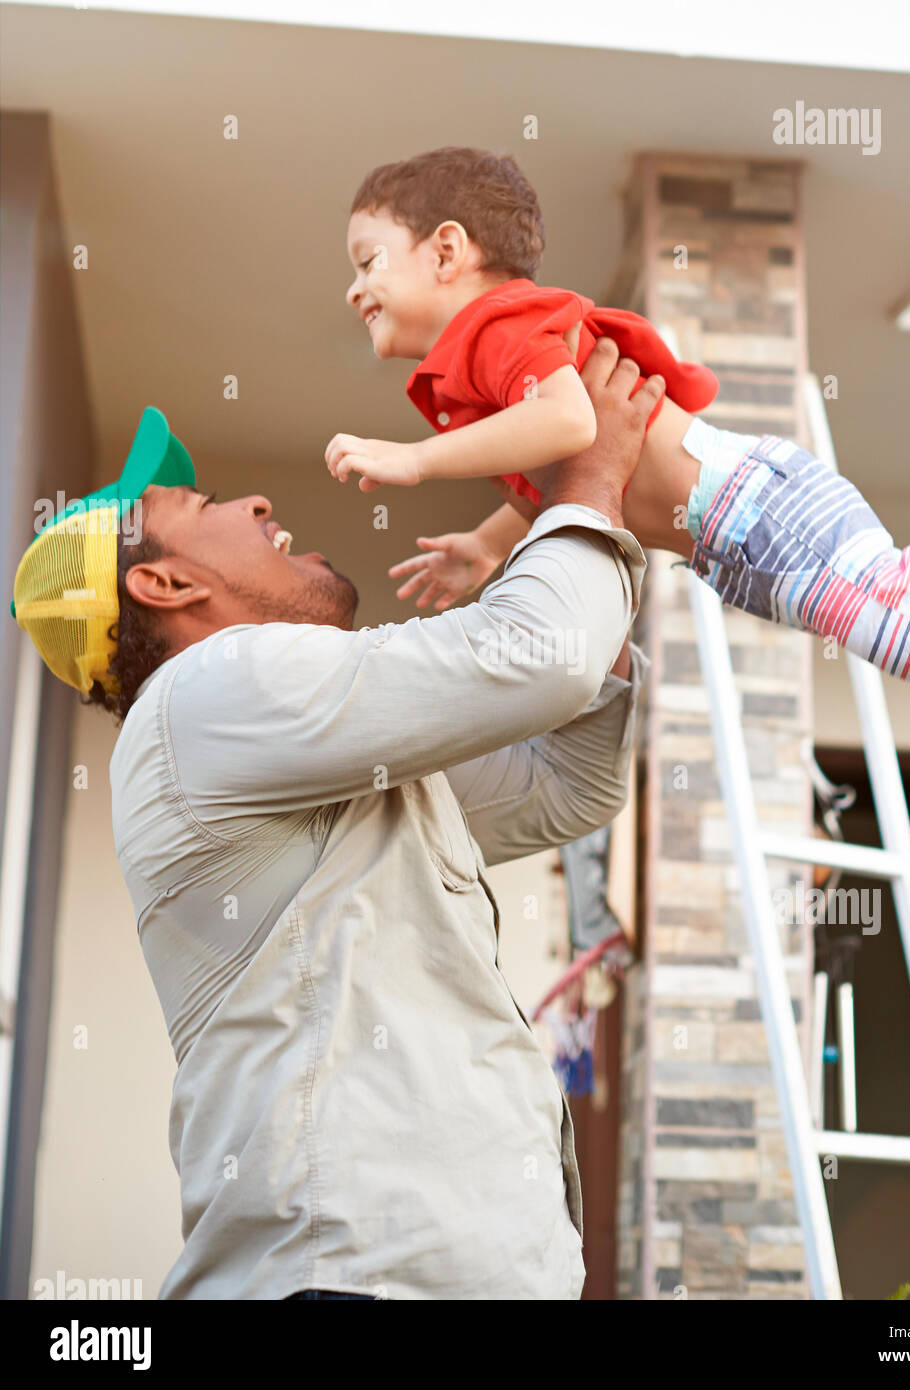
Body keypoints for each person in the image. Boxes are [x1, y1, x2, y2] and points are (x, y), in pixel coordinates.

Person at [9, 337, 660, 1300]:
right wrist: (587, 484)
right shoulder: (210, 692)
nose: (256, 505)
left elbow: (560, 780)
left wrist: (567, 499)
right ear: (165, 585)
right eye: (202, 506)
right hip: (353, 1283)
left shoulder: (309, 745)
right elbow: (540, 657)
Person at [326, 145, 910, 696]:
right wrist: (486, 549)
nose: (355, 288)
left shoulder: (497, 325)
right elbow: (551, 477)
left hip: (750, 508)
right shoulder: (476, 368)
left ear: (448, 250)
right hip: (732, 544)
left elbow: (569, 424)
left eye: (368, 262)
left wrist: (419, 459)